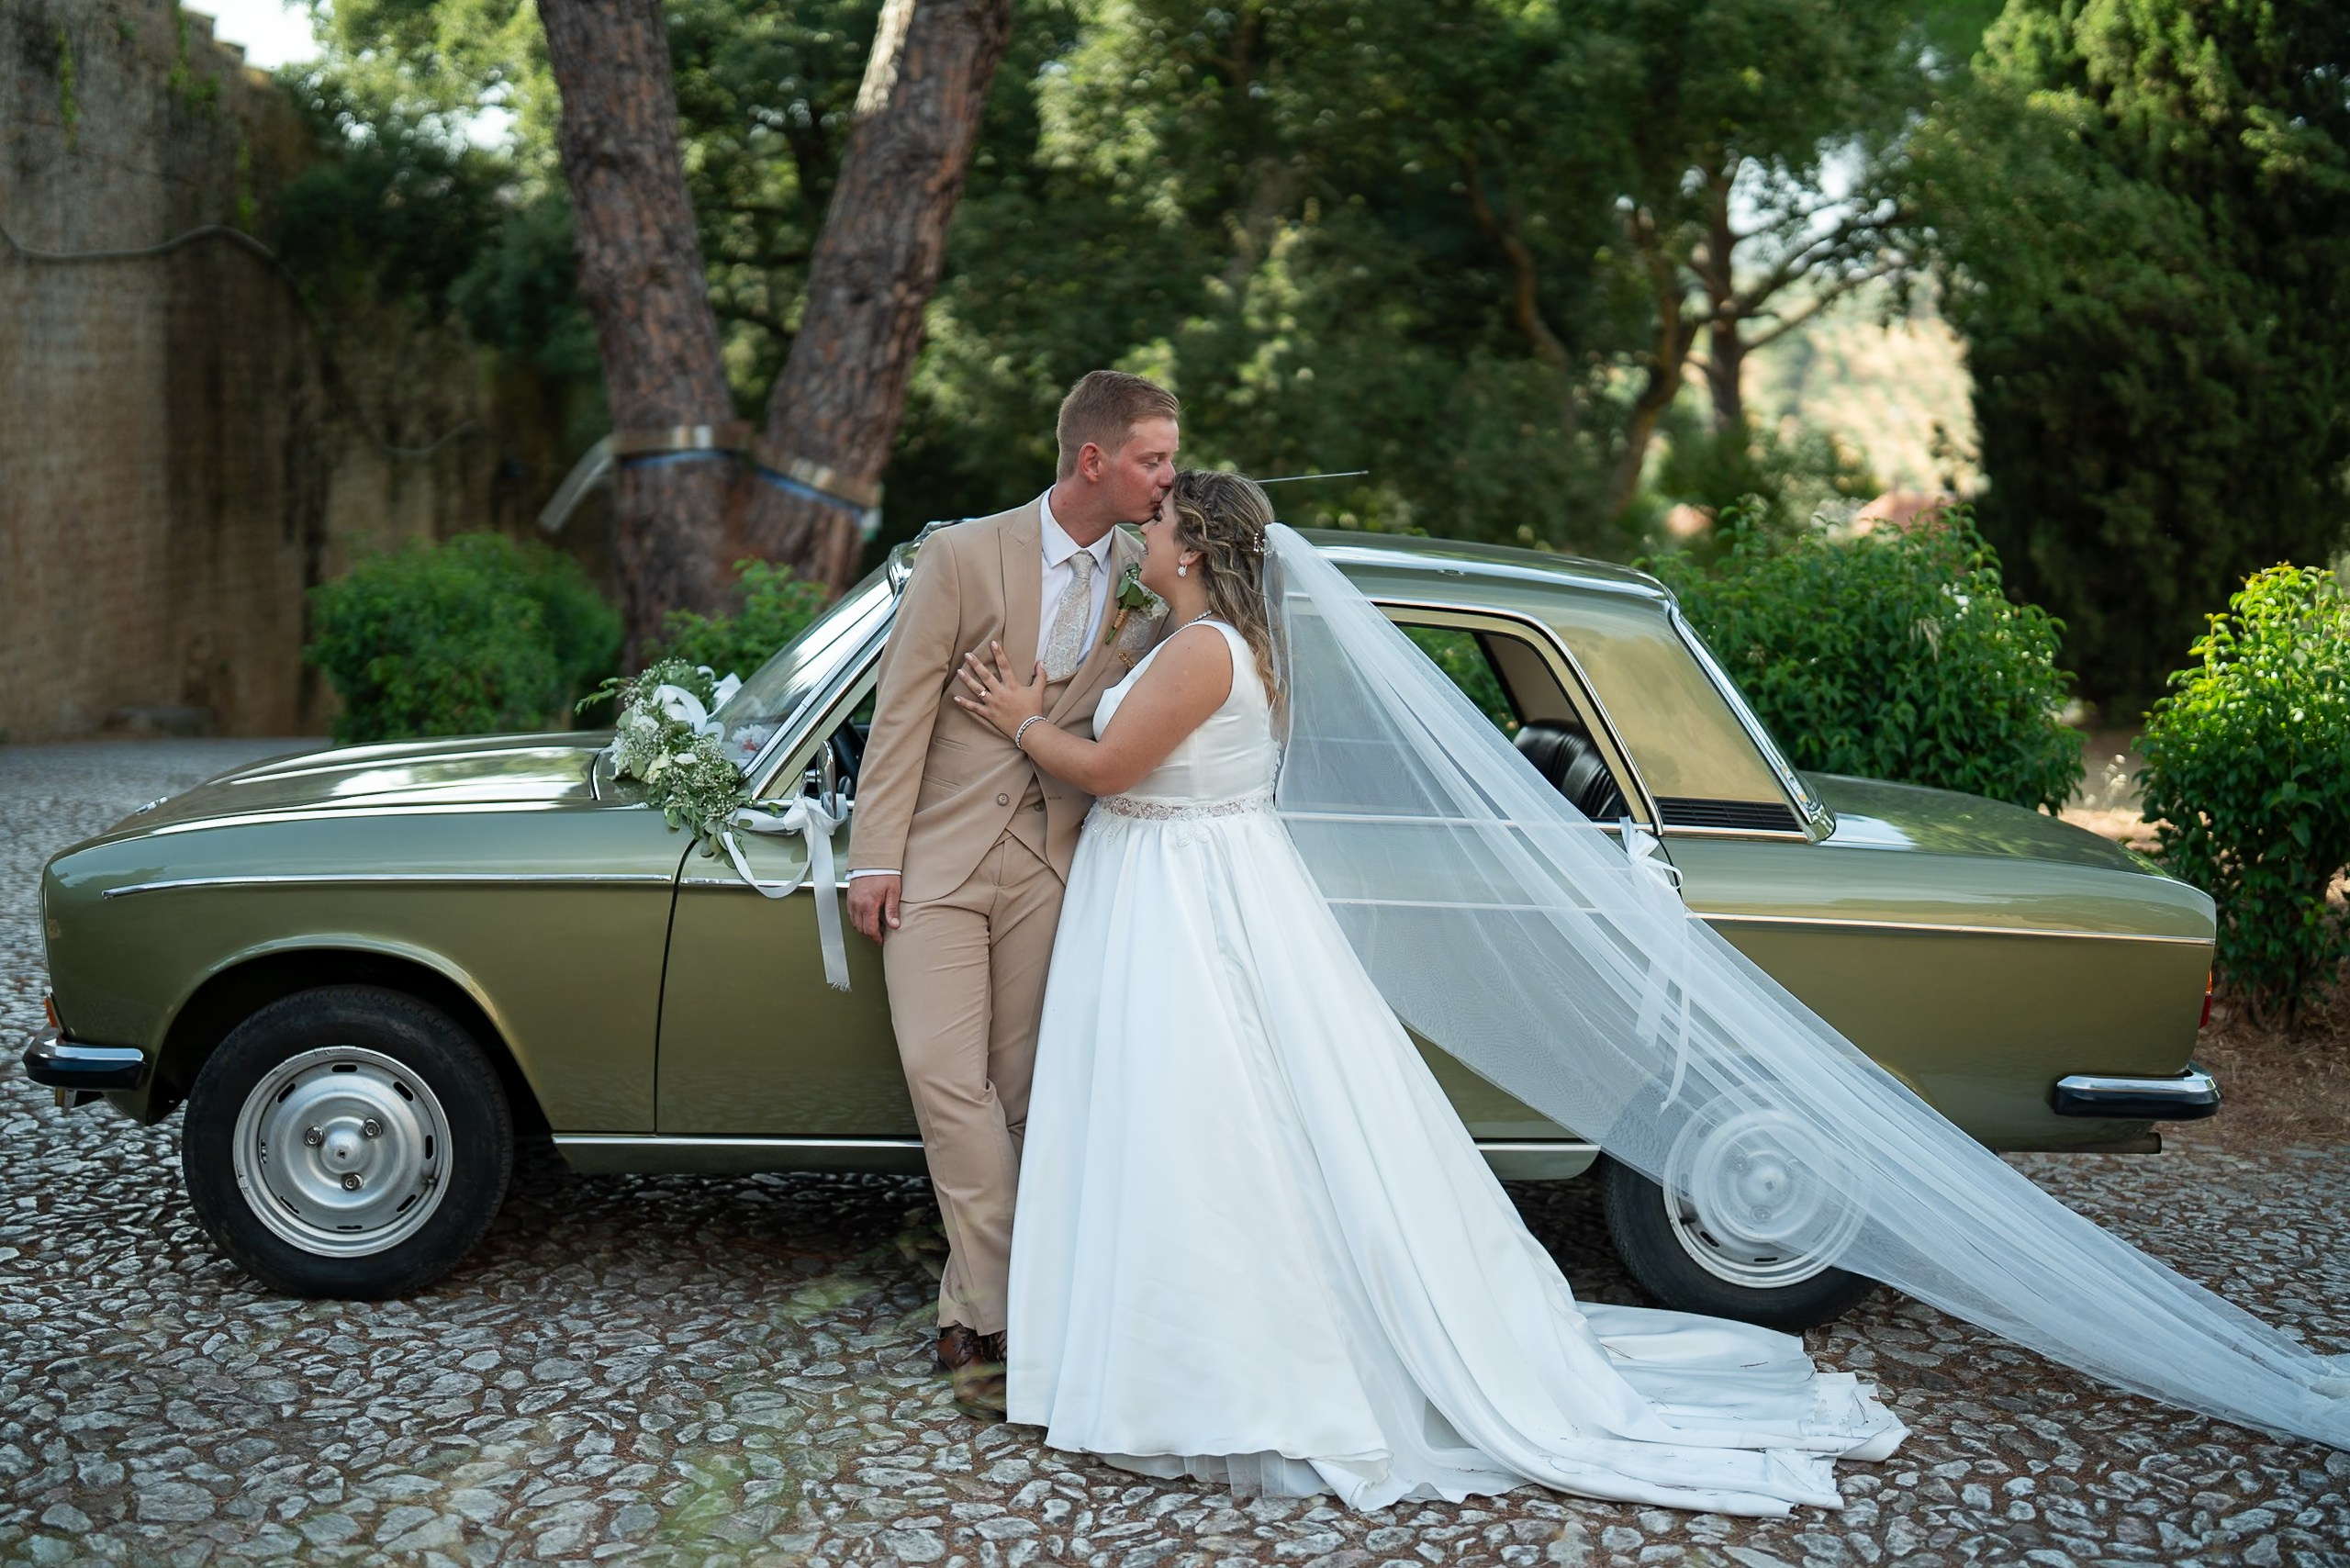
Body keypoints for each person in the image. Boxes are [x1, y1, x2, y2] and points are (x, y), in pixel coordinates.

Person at [948, 471, 1906, 1513]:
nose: (1143, 534)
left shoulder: (1204, 649)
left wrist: (1017, 719)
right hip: (1182, 882)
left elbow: (1110, 770)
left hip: (1182, 896)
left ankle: (1221, 1371)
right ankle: (1146, 1352)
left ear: (1195, 548)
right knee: (1192, 1122)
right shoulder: (1202, 639)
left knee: (1204, 1124)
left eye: (1158, 524)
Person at [845, 370, 1177, 1417]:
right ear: (1094, 459)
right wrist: (874, 854)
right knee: (946, 1082)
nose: (1169, 479)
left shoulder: (1150, 574)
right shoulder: (962, 553)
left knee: (1027, 1098)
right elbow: (900, 711)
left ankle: (978, 1323)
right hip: (936, 863)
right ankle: (1003, 1306)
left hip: (1053, 860)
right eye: (1153, 458)